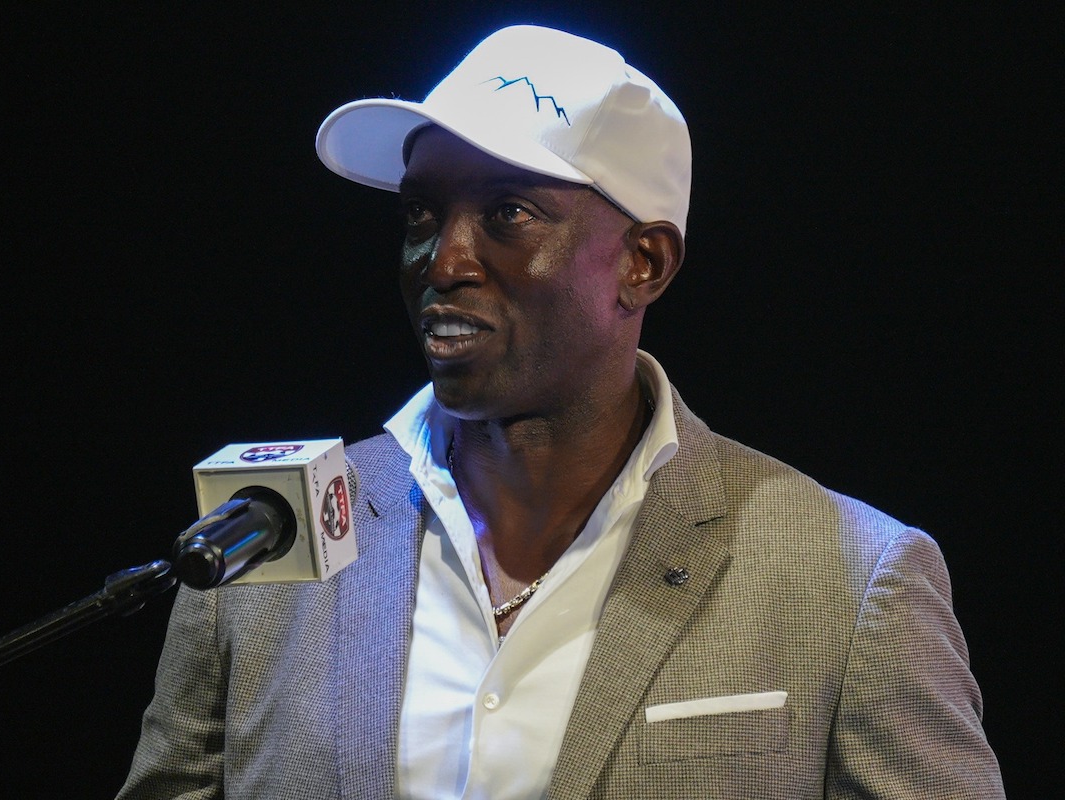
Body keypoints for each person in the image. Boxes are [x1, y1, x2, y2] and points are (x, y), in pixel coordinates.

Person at [117, 24, 1004, 799]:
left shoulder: (853, 578)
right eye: (422, 213)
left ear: (644, 263)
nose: (443, 258)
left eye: (507, 212)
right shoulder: (265, 535)